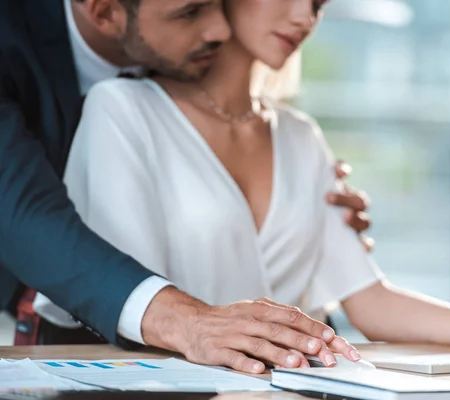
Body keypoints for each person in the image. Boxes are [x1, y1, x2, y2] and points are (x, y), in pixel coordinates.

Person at [39, 0, 450, 374]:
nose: (305, 15)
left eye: (319, 0)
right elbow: (132, 313)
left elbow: (371, 300)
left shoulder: (300, 136)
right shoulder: (123, 110)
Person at [0, 0, 372, 364]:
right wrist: (188, 322)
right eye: (191, 11)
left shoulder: (293, 132)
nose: (221, 28)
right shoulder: (30, 50)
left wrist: (301, 198)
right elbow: (20, 209)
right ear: (104, 12)